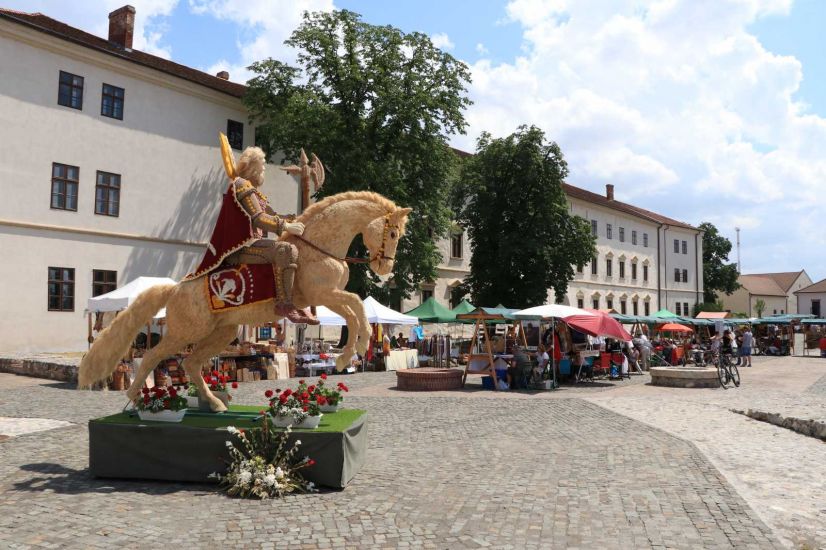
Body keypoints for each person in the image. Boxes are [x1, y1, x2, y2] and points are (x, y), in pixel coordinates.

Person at [185, 145, 317, 324]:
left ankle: (296, 299)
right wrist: (287, 226)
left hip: (254, 244)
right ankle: (284, 304)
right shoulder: (241, 185)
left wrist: (299, 218)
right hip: (241, 248)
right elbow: (259, 219)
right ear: (253, 166)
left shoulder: (254, 192)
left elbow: (274, 216)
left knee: (295, 249)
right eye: (262, 164)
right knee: (286, 251)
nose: (264, 169)